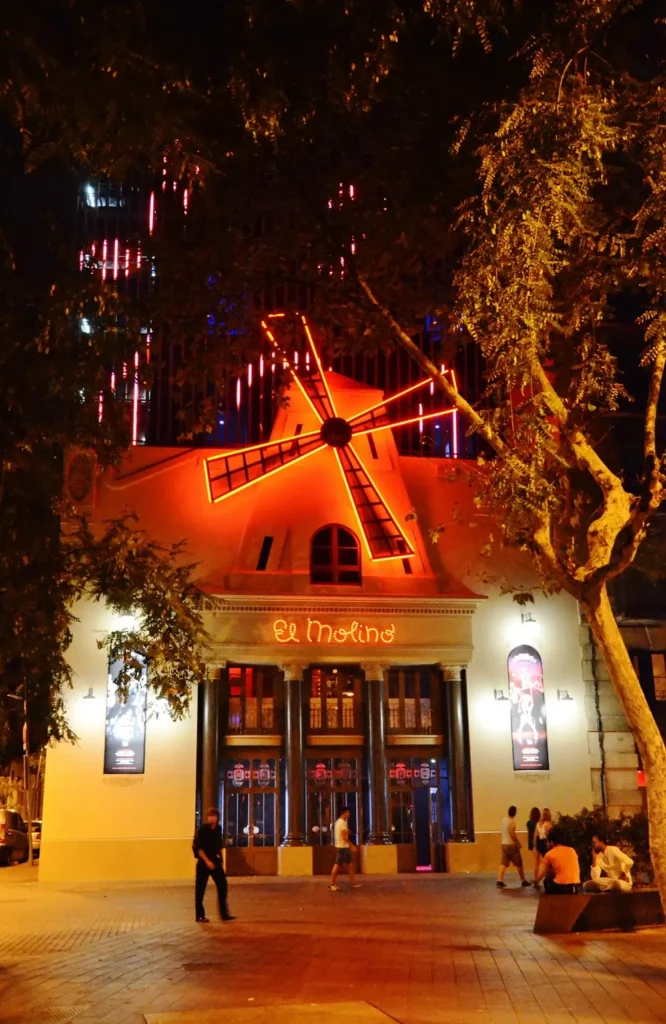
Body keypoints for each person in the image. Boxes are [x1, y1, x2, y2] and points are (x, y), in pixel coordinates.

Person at [192, 807, 235, 923]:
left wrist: (220, 859)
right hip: (203, 863)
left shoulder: (218, 829)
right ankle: (200, 915)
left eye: (213, 816)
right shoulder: (203, 829)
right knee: (200, 889)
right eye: (209, 816)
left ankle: (224, 913)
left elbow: (218, 846)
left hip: (215, 861)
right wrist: (207, 861)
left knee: (222, 886)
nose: (211, 818)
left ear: (217, 817)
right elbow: (198, 847)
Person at [536, 826, 580, 894]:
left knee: (547, 881)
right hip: (575, 886)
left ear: (552, 842)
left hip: (561, 887)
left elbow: (542, 872)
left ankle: (552, 902)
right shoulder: (572, 850)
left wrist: (536, 881)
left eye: (547, 842)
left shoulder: (549, 854)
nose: (547, 844)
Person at [497, 805, 530, 888]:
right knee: (518, 863)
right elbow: (512, 834)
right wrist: (518, 843)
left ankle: (499, 880)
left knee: (504, 863)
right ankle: (523, 880)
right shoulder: (512, 822)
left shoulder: (504, 820)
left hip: (504, 844)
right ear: (515, 813)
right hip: (511, 845)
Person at [329, 807, 362, 891]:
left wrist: (348, 832)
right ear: (344, 813)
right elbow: (344, 837)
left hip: (343, 847)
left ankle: (353, 882)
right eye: (348, 812)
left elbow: (343, 833)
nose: (349, 814)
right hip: (342, 847)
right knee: (337, 865)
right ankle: (331, 884)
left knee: (349, 865)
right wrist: (352, 846)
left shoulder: (339, 822)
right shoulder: (342, 823)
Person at [533, 807, 553, 887]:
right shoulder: (548, 824)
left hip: (539, 842)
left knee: (537, 863)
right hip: (545, 843)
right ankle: (545, 878)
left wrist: (535, 846)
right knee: (547, 862)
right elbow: (550, 835)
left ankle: (536, 878)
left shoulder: (538, 823)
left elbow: (535, 836)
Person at [526, 806, 540, 879]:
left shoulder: (528, 823)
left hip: (530, 844)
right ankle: (537, 878)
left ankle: (536, 878)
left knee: (537, 862)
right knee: (539, 862)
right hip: (537, 844)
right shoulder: (538, 823)